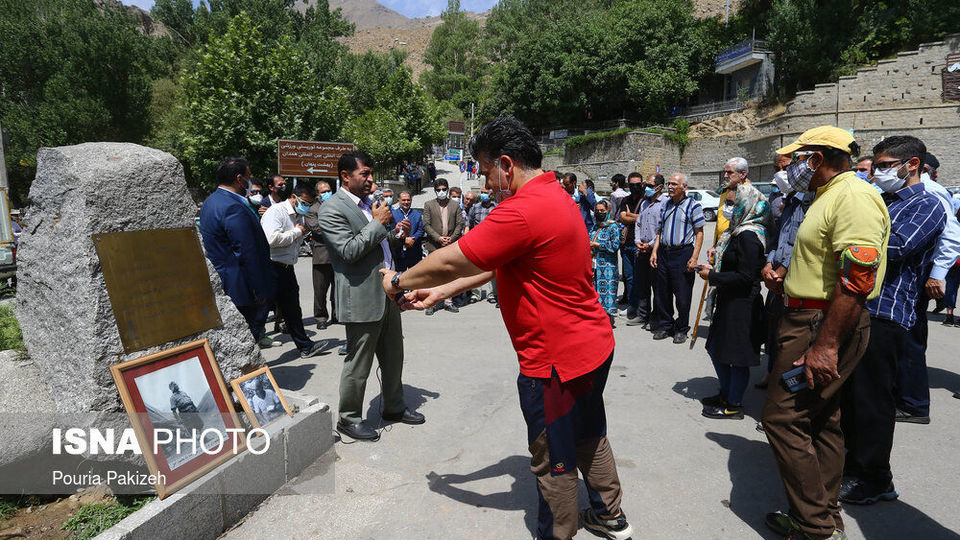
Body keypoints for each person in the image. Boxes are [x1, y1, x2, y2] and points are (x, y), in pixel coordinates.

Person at [379, 117, 633, 540]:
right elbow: (497, 262)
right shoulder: (555, 195)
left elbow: (451, 259)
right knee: (590, 431)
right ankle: (609, 514)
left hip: (554, 361)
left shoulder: (522, 209)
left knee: (553, 456)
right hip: (593, 344)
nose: (483, 178)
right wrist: (442, 293)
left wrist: (399, 281)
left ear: (506, 164)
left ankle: (558, 533)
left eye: (483, 168)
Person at [760, 126, 889, 540]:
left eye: (800, 158)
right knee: (821, 421)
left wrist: (826, 344)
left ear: (818, 159)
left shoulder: (852, 196)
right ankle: (824, 516)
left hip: (822, 323)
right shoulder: (826, 196)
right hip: (810, 316)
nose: (793, 167)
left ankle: (813, 526)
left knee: (782, 418)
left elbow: (857, 279)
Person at [839, 135, 945, 506]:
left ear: (911, 165)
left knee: (872, 401)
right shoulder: (880, 200)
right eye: (878, 166)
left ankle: (875, 478)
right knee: (850, 397)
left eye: (884, 165)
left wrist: (848, 238)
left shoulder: (928, 205)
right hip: (855, 306)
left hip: (887, 312)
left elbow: (897, 247)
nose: (879, 172)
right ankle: (850, 466)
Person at [316, 150, 418, 442]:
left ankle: (394, 407)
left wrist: (395, 233)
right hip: (360, 297)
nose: (371, 180)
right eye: (365, 174)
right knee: (358, 363)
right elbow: (348, 252)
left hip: (388, 291)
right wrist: (378, 223)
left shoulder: (365, 205)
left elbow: (377, 246)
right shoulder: (332, 209)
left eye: (371, 174)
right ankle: (349, 419)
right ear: (345, 176)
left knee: (393, 356)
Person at [894, 152, 960, 423]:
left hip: (920, 276)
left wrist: (937, 275)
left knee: (911, 339)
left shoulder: (932, 193)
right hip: (909, 275)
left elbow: (951, 235)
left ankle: (914, 404)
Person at [696, 184, 768, 419]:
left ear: (746, 205)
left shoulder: (749, 235)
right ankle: (725, 393)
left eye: (733, 204)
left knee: (736, 357)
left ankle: (733, 404)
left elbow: (746, 277)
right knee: (717, 350)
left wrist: (713, 276)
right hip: (729, 300)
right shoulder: (736, 232)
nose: (729, 209)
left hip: (742, 305)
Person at [198, 157, 275, 349]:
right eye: (248, 178)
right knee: (247, 343)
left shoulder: (211, 201)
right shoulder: (233, 206)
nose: (249, 183)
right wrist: (258, 291)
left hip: (227, 282)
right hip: (242, 288)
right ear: (239, 179)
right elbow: (246, 252)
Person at [758, 169, 811, 390]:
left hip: (795, 282)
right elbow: (778, 238)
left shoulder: (808, 204)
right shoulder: (788, 203)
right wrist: (770, 264)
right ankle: (772, 376)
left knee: (791, 341)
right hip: (777, 280)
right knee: (775, 333)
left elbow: (801, 242)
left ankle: (784, 392)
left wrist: (782, 269)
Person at [260, 184, 325, 359]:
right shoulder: (277, 212)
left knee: (293, 310)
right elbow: (271, 239)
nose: (306, 206)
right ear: (294, 197)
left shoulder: (299, 215)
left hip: (287, 268)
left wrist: (299, 233)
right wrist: (297, 232)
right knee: (262, 310)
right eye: (304, 202)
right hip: (271, 267)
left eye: (309, 204)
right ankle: (245, 349)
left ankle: (305, 347)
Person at [650, 173, 705, 344]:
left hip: (683, 254)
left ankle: (681, 328)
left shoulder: (693, 206)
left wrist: (694, 257)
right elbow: (659, 231)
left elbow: (699, 233)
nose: (670, 187)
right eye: (669, 184)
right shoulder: (665, 205)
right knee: (662, 293)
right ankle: (666, 325)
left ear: (684, 187)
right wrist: (654, 252)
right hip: (664, 253)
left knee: (682, 295)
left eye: (675, 184)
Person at [422, 178, 465, 314]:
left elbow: (460, 224)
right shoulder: (428, 204)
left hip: (451, 245)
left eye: (444, 189)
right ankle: (432, 304)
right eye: (439, 190)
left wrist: (451, 239)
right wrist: (439, 238)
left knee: (449, 274)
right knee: (434, 274)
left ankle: (448, 302)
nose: (441, 192)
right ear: (435, 191)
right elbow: (426, 225)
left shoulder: (455, 205)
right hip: (434, 245)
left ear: (447, 189)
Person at [631, 173, 666, 329]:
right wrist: (638, 241)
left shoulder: (665, 203)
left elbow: (662, 228)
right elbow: (638, 224)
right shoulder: (644, 203)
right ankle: (642, 314)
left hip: (655, 251)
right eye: (646, 185)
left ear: (659, 187)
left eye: (650, 186)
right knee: (642, 285)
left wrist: (651, 245)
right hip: (641, 249)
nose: (646, 188)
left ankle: (655, 318)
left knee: (657, 286)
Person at [304, 181, 337, 329]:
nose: (327, 193)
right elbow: (316, 228)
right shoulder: (312, 209)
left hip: (338, 255)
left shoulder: (337, 205)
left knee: (338, 288)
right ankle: (321, 318)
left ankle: (337, 315)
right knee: (320, 290)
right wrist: (337, 231)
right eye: (323, 191)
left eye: (329, 190)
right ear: (317, 194)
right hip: (321, 255)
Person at [616, 172, 647, 322]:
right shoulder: (626, 199)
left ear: (642, 184)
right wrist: (637, 217)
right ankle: (632, 305)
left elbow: (647, 218)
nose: (635, 187)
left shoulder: (646, 199)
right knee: (628, 276)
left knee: (640, 278)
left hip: (639, 243)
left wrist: (633, 217)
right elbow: (622, 216)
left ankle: (640, 308)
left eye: (638, 184)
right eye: (632, 184)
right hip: (626, 242)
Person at [589, 200, 622, 327]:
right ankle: (596, 319)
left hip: (608, 266)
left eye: (602, 211)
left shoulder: (613, 227)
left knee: (607, 293)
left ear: (608, 211)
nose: (599, 213)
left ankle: (606, 321)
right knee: (595, 292)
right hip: (594, 265)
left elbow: (614, 246)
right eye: (597, 211)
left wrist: (597, 245)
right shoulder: (595, 226)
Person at [392, 191, 425, 272]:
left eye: (408, 200)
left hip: (414, 253)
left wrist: (412, 239)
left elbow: (421, 230)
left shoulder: (417, 214)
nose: (406, 202)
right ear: (398, 201)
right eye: (403, 200)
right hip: (398, 253)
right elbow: (391, 231)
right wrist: (403, 241)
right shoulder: (393, 215)